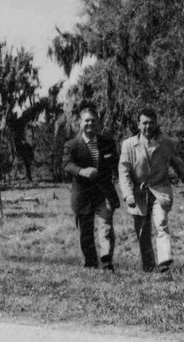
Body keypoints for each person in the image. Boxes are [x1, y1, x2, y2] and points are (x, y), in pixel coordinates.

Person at [118, 108, 184, 273]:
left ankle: (164, 262)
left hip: (160, 191)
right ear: (138, 125)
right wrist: (127, 195)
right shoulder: (128, 145)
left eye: (151, 123)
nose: (148, 126)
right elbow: (123, 172)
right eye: (144, 123)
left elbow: (178, 164)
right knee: (142, 230)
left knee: (161, 223)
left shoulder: (166, 143)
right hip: (138, 194)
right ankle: (148, 265)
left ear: (156, 123)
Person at [62, 107, 120, 270]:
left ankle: (107, 262)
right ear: (80, 123)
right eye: (86, 120)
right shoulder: (72, 145)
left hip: (104, 193)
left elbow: (116, 165)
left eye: (93, 120)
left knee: (106, 227)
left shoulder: (107, 143)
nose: (90, 124)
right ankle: (90, 264)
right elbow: (66, 164)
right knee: (85, 232)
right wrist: (82, 171)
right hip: (83, 195)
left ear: (98, 123)